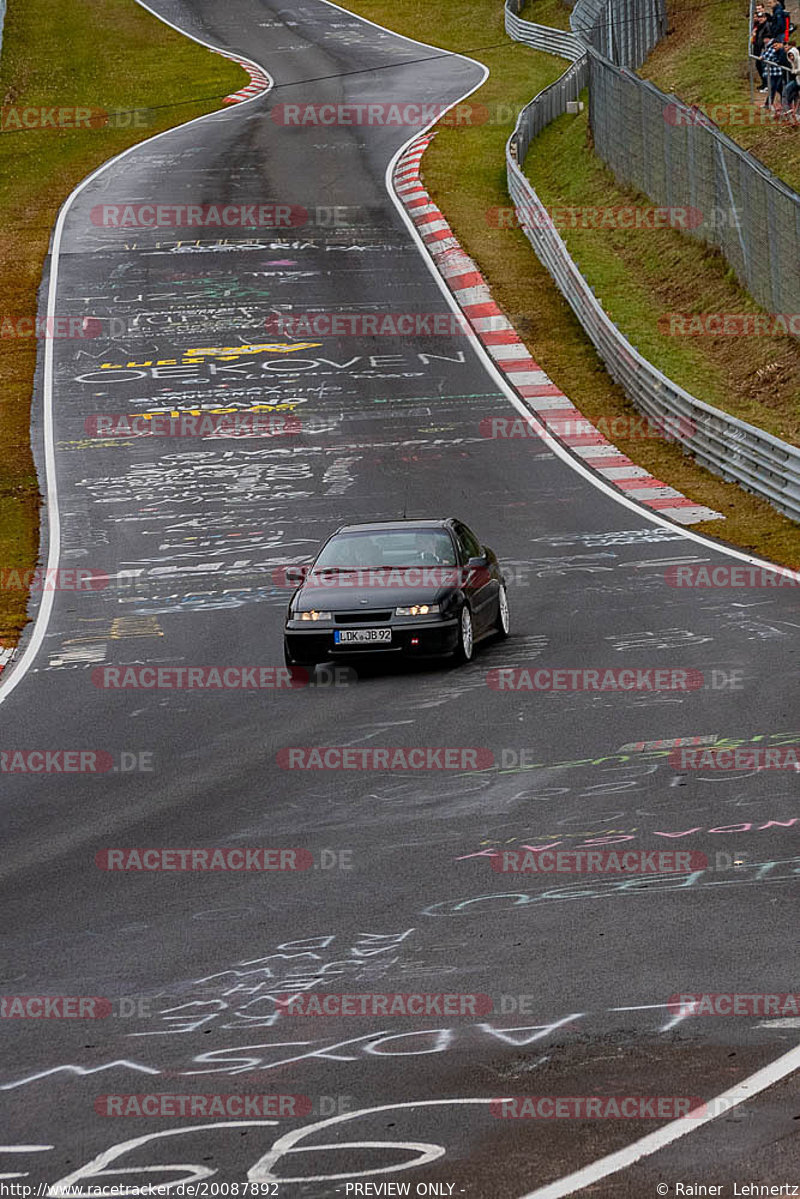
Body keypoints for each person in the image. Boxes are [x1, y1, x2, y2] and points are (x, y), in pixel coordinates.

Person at [761, 36, 790, 108]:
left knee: (779, 89)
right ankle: (770, 104)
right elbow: (766, 56)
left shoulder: (783, 51)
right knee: (775, 88)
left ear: (780, 44)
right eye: (773, 46)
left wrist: (777, 61)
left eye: (776, 45)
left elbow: (782, 61)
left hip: (781, 73)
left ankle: (784, 104)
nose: (775, 47)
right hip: (776, 72)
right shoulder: (774, 50)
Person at [752, 9, 771, 88]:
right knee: (758, 66)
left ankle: (766, 84)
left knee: (763, 66)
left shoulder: (767, 25)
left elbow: (768, 36)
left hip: (763, 49)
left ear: (765, 18)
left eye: (762, 17)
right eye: (759, 17)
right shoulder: (759, 26)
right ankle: (764, 83)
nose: (760, 19)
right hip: (758, 48)